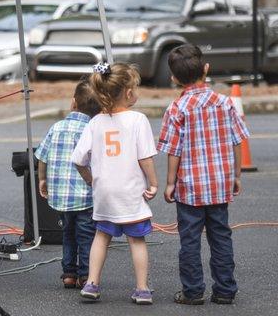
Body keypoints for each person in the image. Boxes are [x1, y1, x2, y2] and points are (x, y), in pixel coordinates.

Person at [157, 45, 249, 305]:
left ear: (174, 78)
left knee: (189, 240)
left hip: (189, 188)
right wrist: (236, 176)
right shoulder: (225, 103)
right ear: (206, 69)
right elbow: (237, 141)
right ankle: (225, 290)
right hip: (219, 185)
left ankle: (193, 291)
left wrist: (170, 183)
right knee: (221, 237)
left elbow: (173, 151)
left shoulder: (177, 109)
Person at [71, 62, 158, 305]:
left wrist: (89, 179)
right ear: (129, 93)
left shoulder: (95, 122)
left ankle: (92, 283)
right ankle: (142, 288)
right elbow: (145, 158)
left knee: (101, 237)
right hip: (130, 191)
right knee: (137, 240)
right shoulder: (138, 120)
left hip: (104, 192)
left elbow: (78, 159)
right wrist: (153, 183)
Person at [34, 78, 100, 290]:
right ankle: (86, 275)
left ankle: (69, 274)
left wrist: (42, 179)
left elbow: (42, 156)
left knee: (67, 235)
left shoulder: (57, 127)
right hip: (86, 196)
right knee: (87, 237)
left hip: (61, 197)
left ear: (73, 102)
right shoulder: (93, 129)